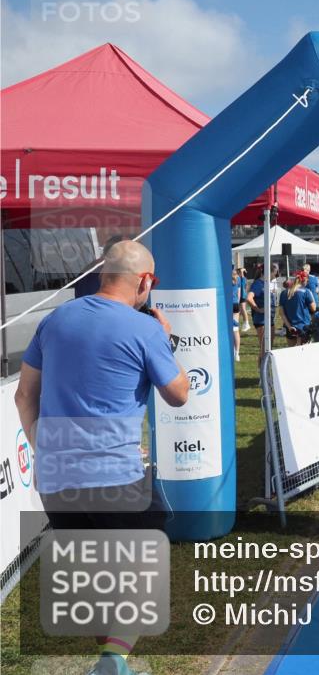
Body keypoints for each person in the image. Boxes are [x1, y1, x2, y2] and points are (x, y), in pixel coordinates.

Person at [14, 240, 189, 675]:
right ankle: (113, 660)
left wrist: (41, 444)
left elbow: (23, 396)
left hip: (56, 476)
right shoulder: (145, 329)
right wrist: (167, 341)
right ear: (144, 281)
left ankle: (111, 663)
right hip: (115, 474)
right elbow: (179, 395)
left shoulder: (54, 319)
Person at [246, 262, 279, 367]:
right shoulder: (258, 284)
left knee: (269, 348)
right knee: (264, 348)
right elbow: (249, 298)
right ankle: (262, 373)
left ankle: (266, 371)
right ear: (269, 272)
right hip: (261, 320)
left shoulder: (267, 283)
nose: (276, 275)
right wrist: (258, 309)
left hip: (270, 319)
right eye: (275, 273)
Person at [279, 270, 318, 346]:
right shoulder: (306, 292)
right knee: (304, 351)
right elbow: (313, 308)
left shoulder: (284, 293)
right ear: (304, 281)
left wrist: (289, 327)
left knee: (292, 350)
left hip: (290, 327)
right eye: (307, 281)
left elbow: (281, 313)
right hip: (304, 326)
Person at [231, 268, 242, 362]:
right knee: (235, 329)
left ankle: (233, 351)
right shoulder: (238, 278)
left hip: (227, 304)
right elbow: (239, 293)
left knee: (228, 329)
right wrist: (237, 303)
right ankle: (237, 353)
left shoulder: (225, 277)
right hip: (235, 304)